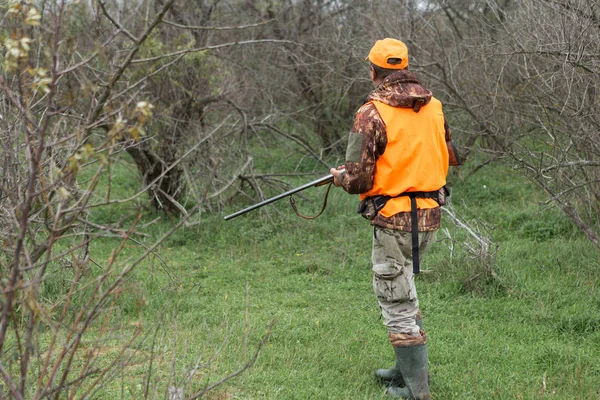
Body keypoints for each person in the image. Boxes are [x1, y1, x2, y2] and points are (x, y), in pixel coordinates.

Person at [330, 38, 460, 399]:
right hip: (431, 215)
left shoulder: (369, 113)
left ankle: (416, 391)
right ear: (404, 68)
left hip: (392, 221)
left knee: (395, 299)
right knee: (406, 291)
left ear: (373, 71)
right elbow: (450, 154)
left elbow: (357, 180)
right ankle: (404, 371)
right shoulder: (435, 106)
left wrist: (341, 176)